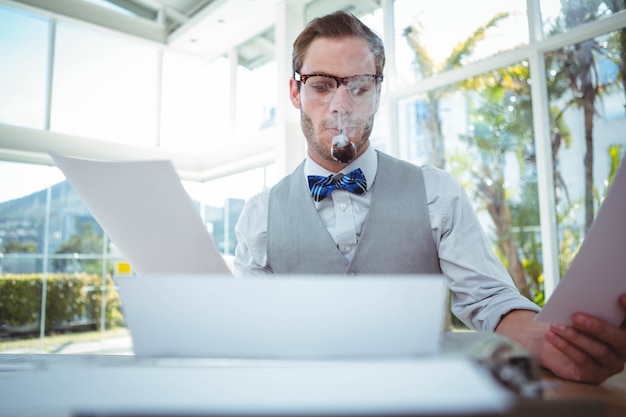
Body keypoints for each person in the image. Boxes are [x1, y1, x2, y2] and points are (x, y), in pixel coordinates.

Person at [233, 10, 626, 383]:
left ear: (377, 92)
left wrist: (554, 344)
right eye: (321, 85)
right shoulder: (260, 215)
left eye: (359, 86)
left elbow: (490, 302)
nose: (340, 105)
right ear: (295, 92)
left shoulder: (436, 193)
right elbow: (250, 332)